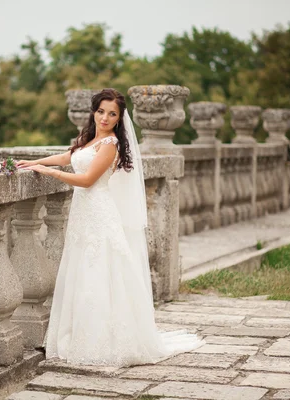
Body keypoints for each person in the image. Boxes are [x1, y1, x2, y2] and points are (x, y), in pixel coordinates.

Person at [17, 88, 203, 366]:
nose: (105, 118)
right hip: (83, 215)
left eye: (112, 114)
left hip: (99, 211)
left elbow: (88, 180)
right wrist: (35, 162)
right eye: (101, 111)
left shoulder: (110, 145)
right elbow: (68, 157)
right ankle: (78, 335)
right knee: (82, 270)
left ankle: (106, 340)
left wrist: (49, 173)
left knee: (101, 271)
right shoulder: (89, 139)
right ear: (94, 112)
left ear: (119, 118)